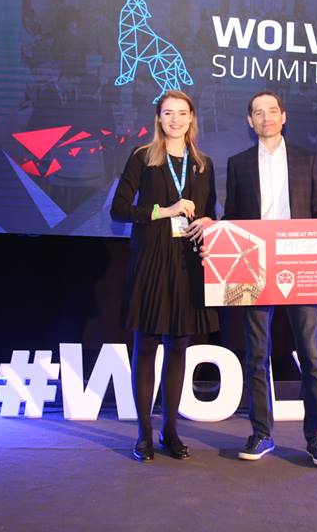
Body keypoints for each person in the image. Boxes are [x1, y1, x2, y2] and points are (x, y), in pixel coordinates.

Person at [208, 90, 317, 468]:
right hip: (254, 265)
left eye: (272, 111)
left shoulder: (308, 159)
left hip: (301, 264)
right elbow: (232, 218)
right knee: (256, 355)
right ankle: (262, 433)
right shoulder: (239, 163)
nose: (266, 118)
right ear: (250, 121)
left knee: (312, 356)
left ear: (284, 116)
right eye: (258, 113)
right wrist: (214, 235)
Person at [110, 90, 217, 462]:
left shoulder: (203, 163)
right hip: (152, 260)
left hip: (188, 263)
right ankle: (144, 434)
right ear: (158, 118)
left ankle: (170, 431)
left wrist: (208, 221)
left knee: (178, 347)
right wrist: (165, 210)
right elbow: (119, 210)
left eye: (182, 113)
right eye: (168, 113)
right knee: (146, 346)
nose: (175, 120)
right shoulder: (143, 157)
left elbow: (211, 211)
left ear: (192, 118)